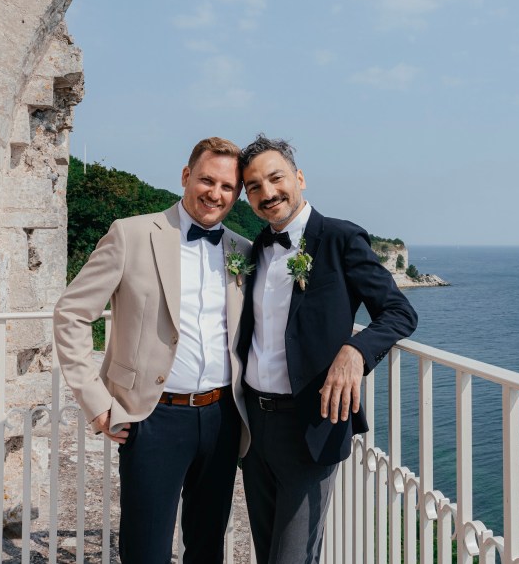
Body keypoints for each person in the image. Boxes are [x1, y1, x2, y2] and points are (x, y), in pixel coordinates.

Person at [53, 137, 252, 564]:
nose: (215, 194)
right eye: (206, 180)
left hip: (222, 418)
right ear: (185, 176)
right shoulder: (132, 233)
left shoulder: (242, 250)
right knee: (145, 549)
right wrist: (96, 402)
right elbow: (71, 313)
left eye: (227, 187)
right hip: (152, 415)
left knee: (207, 546)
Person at [237, 134, 418, 564]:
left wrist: (355, 351)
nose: (268, 193)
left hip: (309, 427)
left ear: (298, 177)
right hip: (253, 429)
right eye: (254, 187)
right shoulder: (256, 248)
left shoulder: (339, 238)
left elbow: (399, 312)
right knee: (267, 553)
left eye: (275, 178)